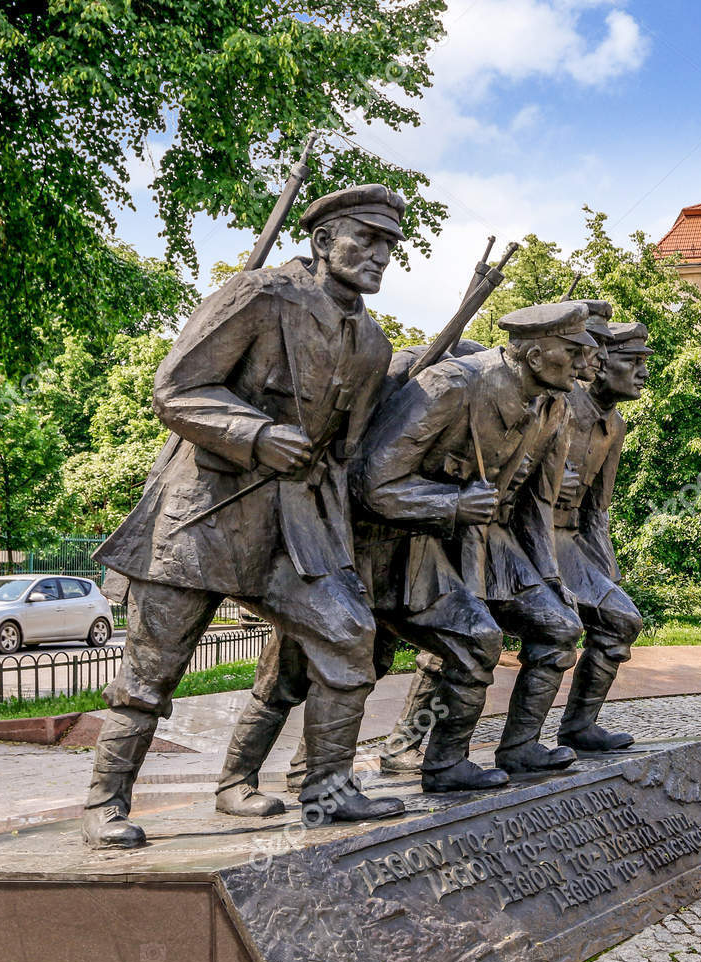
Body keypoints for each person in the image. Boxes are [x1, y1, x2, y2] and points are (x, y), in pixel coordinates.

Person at [81, 184, 410, 849]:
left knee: (349, 636)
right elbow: (174, 388)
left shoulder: (372, 343)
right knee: (153, 668)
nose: (378, 255)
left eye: (388, 245)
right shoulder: (260, 295)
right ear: (321, 241)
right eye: (364, 238)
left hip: (295, 526)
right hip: (204, 513)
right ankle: (104, 802)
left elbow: (342, 458)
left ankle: (325, 785)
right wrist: (254, 433)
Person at [359, 300, 594, 780]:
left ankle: (520, 748)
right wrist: (451, 504)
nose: (583, 363)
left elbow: (535, 503)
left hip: (484, 540)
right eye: (572, 351)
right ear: (533, 356)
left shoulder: (552, 405)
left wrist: (549, 577)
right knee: (471, 641)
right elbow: (372, 481)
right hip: (410, 540)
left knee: (559, 626)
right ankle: (439, 763)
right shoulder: (453, 385)